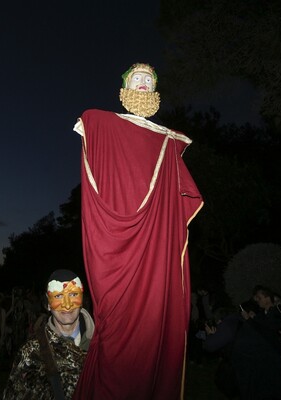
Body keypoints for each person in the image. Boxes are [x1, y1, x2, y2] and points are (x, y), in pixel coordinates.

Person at [72, 63, 203, 399]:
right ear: (125, 87)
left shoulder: (166, 140)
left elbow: (177, 202)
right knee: (117, 326)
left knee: (152, 325)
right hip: (114, 247)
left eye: (149, 80)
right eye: (137, 79)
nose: (143, 84)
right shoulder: (103, 123)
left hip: (155, 248)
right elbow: (90, 118)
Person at [3, 269, 95, 400]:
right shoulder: (32, 352)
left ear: (82, 298)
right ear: (47, 303)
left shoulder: (102, 345)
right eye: (58, 296)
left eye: (73, 294)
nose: (67, 305)